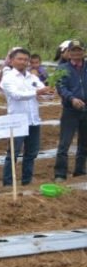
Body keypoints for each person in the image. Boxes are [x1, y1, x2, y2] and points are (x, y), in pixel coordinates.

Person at [0, 48, 52, 187]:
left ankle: (27, 181)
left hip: (33, 120)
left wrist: (49, 92)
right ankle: (8, 183)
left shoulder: (33, 77)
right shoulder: (8, 78)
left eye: (25, 60)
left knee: (31, 153)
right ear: (11, 60)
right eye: (20, 59)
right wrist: (37, 92)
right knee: (13, 153)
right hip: (16, 120)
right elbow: (16, 95)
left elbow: (46, 94)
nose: (23, 62)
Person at [54, 40, 87, 182]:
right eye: (73, 50)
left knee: (84, 143)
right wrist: (72, 99)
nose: (76, 53)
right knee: (64, 143)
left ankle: (79, 171)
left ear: (84, 51)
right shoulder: (63, 68)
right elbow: (61, 87)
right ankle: (60, 174)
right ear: (68, 52)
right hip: (70, 110)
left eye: (79, 50)